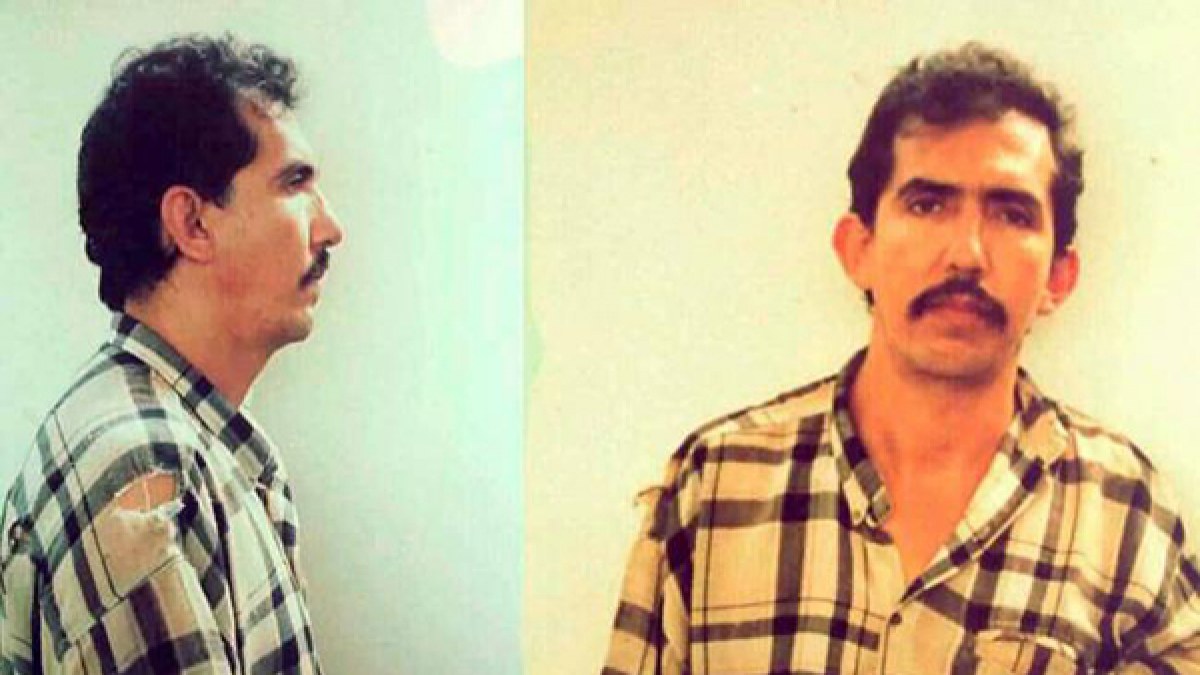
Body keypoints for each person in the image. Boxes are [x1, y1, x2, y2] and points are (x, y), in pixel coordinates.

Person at [603, 43, 1200, 674]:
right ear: (857, 248)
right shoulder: (717, 485)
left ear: (1059, 276)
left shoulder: (1122, 512)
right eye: (927, 204)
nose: (967, 254)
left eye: (1011, 213)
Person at [0, 33, 343, 673]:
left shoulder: (185, 440)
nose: (330, 228)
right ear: (191, 223)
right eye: (294, 183)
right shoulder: (142, 474)